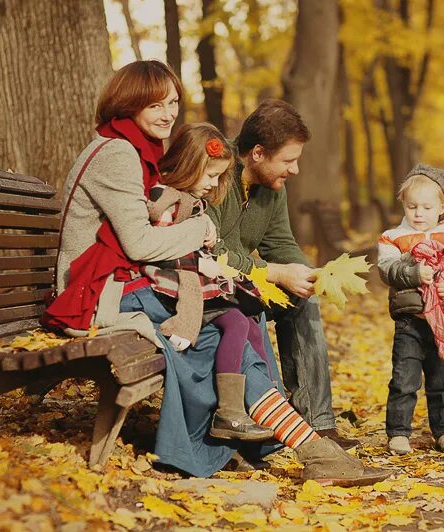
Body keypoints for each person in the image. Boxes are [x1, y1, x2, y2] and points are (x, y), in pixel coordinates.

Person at [43, 60, 389, 485]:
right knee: (219, 329)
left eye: (173, 102)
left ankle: (308, 444)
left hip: (122, 283)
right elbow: (141, 243)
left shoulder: (133, 150)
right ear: (128, 103)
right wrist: (200, 230)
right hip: (97, 293)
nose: (169, 113)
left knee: (231, 323)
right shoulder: (117, 154)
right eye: (156, 104)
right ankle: (309, 448)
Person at [207, 99, 358, 450]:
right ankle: (267, 413)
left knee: (303, 300)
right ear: (258, 153)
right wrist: (275, 272)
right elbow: (212, 253)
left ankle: (317, 423)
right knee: (263, 300)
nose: (295, 170)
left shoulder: (272, 188)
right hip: (214, 288)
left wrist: (307, 273)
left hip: (247, 283)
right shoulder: (215, 173)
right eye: (289, 161)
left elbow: (281, 243)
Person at [141, 121, 274, 442]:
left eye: (218, 176)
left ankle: (263, 399)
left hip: (195, 281)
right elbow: (165, 249)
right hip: (175, 287)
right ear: (188, 166)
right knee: (238, 324)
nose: (213, 183)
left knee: (251, 322)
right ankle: (230, 412)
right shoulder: (165, 201)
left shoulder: (190, 202)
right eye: (211, 175)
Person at [376, 164, 444, 455]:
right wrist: (413, 274)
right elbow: (387, 268)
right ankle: (399, 433)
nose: (418, 213)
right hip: (410, 322)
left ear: (443, 206)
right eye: (412, 206)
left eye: (426, 207)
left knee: (442, 380)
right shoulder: (393, 237)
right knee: (404, 379)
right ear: (403, 204)